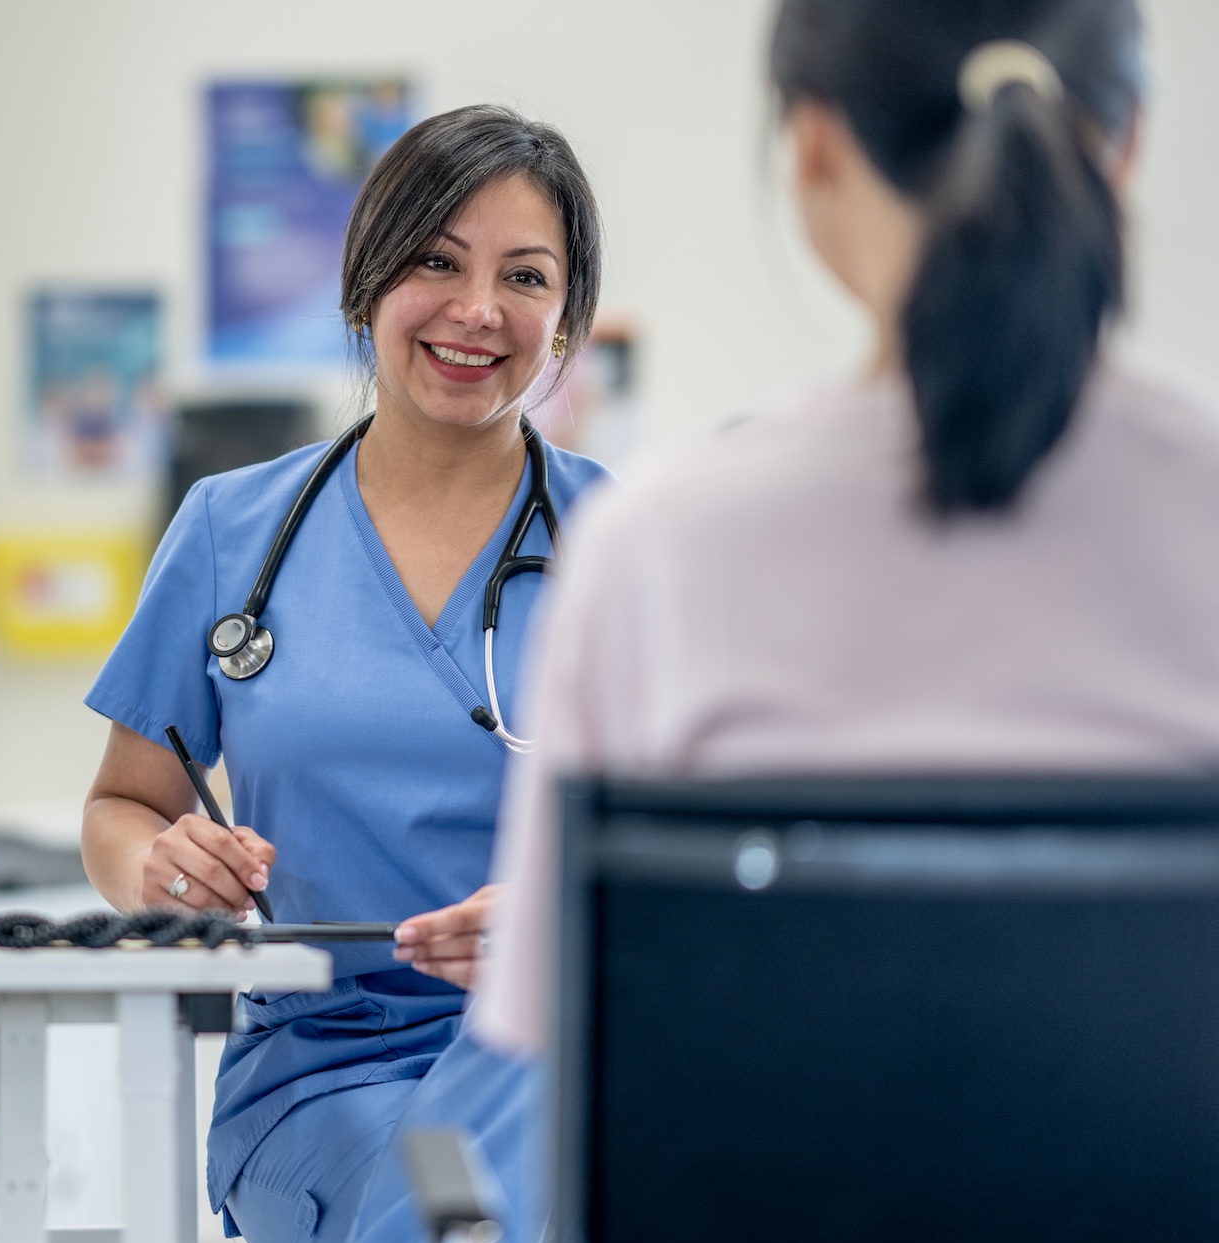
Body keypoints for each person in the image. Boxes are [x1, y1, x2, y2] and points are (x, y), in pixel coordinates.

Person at [478, 0, 1219, 1066]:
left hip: (768, 1233)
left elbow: (567, 1034)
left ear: (812, 142)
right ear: (1128, 139)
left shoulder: (658, 548)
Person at [81, 105, 609, 1243]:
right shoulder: (232, 531)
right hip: (328, 1072)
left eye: (524, 275)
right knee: (457, 1220)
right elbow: (124, 804)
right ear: (368, 278)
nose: (478, 310)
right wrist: (159, 868)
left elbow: (699, 844)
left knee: (511, 1200)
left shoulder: (626, 543)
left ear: (563, 320)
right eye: (437, 259)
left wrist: (566, 908)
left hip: (563, 1048)